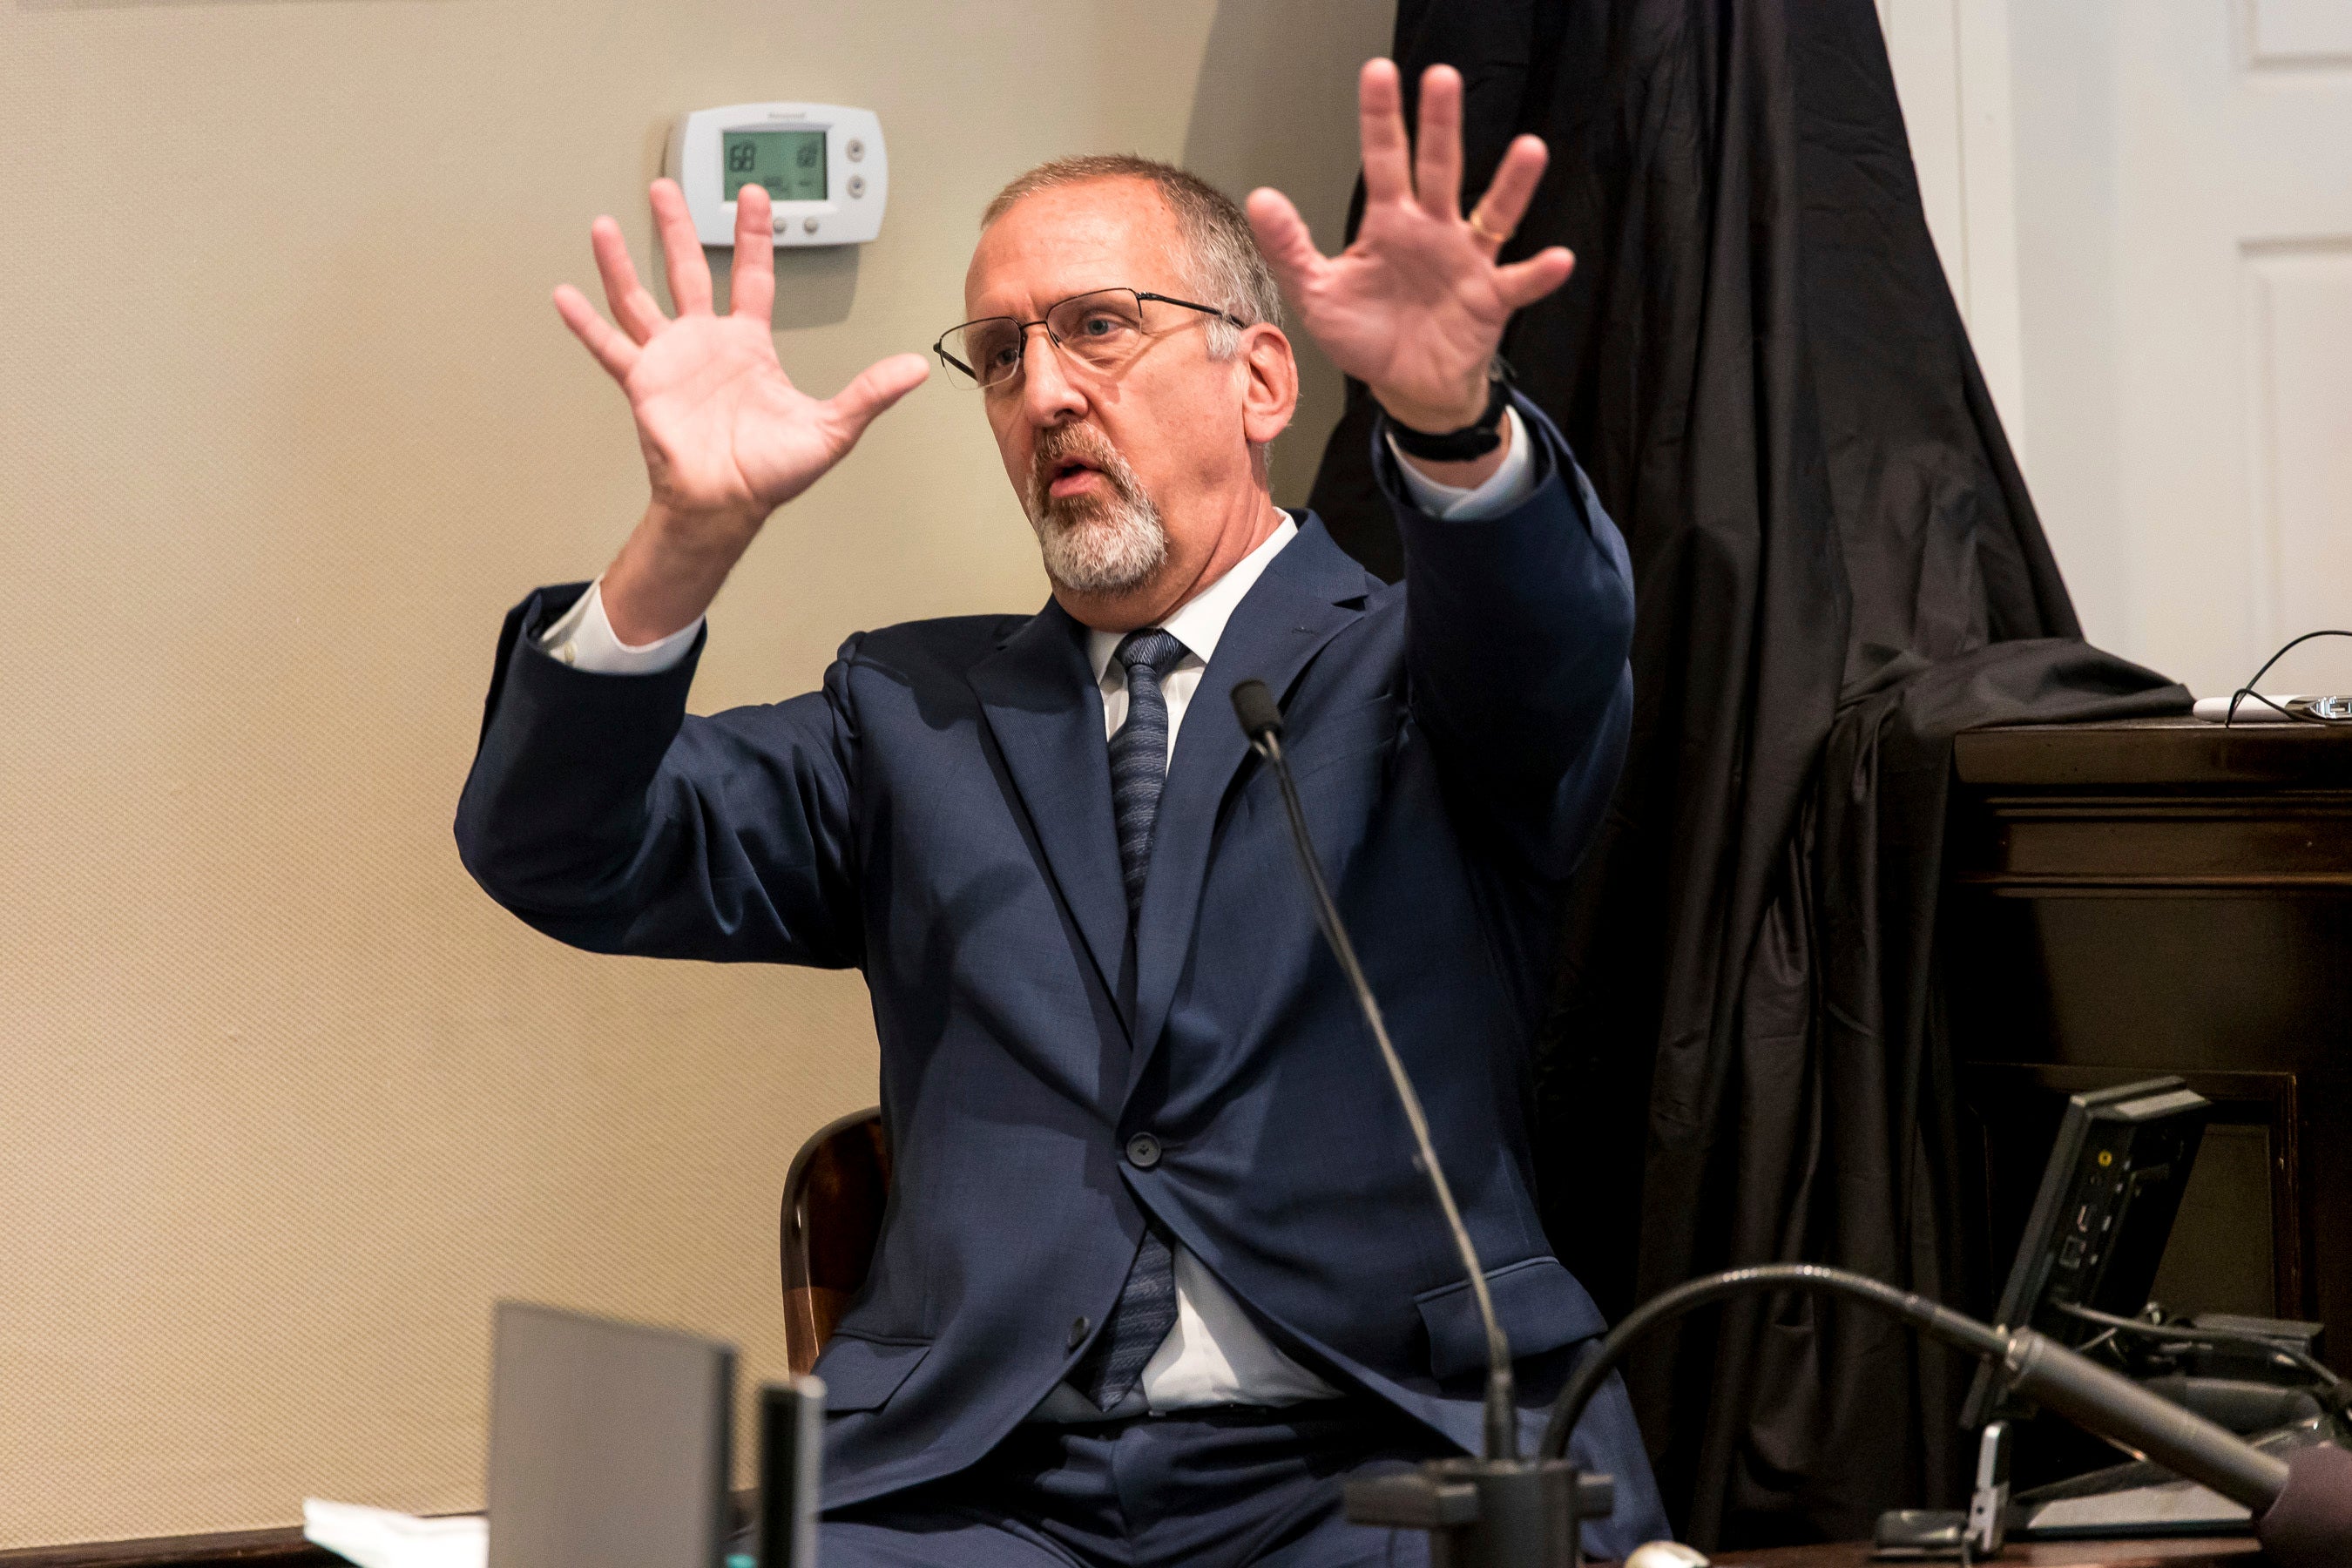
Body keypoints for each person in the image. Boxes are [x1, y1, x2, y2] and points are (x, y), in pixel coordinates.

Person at [456, 58, 1667, 1567]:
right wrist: (684, 542)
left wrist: (1452, 429)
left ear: (1263, 378)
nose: (1044, 390)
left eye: (1098, 327)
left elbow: (1552, 643)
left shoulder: (1427, 675)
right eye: (1005, 350)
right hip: (970, 1494)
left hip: (1380, 1463)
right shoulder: (908, 717)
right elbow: (554, 848)